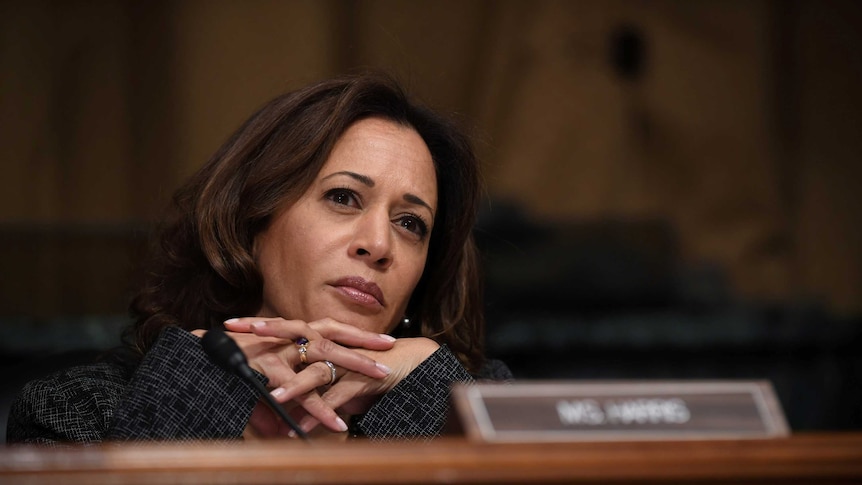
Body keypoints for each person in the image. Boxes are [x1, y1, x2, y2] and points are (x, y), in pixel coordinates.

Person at [7, 73, 512, 445]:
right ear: (251, 221)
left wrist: (434, 401)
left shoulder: (483, 403)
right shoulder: (78, 412)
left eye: (410, 223)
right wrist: (201, 387)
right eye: (343, 197)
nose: (379, 244)